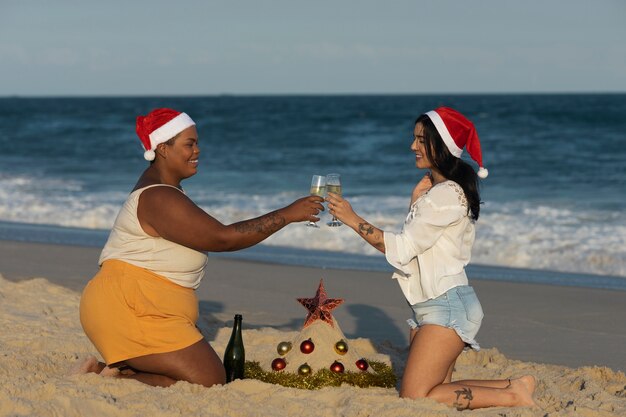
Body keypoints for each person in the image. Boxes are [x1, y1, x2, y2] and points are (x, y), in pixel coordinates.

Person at [76, 108, 324, 387]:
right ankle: (107, 378)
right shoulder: (158, 197)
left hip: (147, 307)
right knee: (207, 380)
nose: (197, 151)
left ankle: (113, 372)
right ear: (162, 149)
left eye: (197, 143)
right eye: (189, 144)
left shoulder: (167, 191)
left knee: (206, 376)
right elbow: (222, 238)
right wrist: (287, 214)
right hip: (129, 307)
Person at [325, 107, 537, 410]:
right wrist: (415, 202)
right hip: (433, 306)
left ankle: (513, 396)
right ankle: (513, 385)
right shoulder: (439, 193)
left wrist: (351, 217)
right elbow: (416, 249)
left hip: (446, 308)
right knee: (438, 390)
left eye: (422, 140)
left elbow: (401, 247)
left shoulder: (446, 195)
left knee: (416, 397)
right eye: (414, 139)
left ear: (443, 146)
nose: (413, 147)